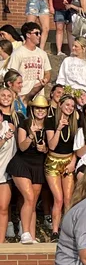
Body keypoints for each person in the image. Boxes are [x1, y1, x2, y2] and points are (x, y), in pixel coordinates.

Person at [8, 95, 49, 244]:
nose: (40, 111)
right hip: (22, 163)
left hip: (37, 165)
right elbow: (22, 146)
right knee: (29, 198)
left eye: (43, 108)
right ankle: (24, 232)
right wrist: (31, 136)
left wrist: (44, 148)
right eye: (38, 107)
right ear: (32, 109)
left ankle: (31, 236)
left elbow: (50, 147)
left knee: (32, 201)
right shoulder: (25, 124)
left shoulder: (48, 125)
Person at [44, 94, 78, 236]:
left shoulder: (76, 122)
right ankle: (55, 231)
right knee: (58, 198)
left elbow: (78, 146)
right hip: (53, 161)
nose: (70, 108)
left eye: (72, 106)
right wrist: (58, 128)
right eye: (67, 105)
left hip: (68, 161)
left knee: (68, 199)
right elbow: (51, 145)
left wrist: (73, 162)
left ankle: (67, 230)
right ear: (60, 105)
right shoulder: (51, 120)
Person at [8, 22, 51, 99]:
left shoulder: (43, 53)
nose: (39, 36)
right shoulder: (17, 53)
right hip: (22, 94)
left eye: (40, 33)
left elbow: (47, 72)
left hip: (38, 96)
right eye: (37, 33)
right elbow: (12, 75)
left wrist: (45, 80)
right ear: (28, 35)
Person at [0, 88, 15, 243]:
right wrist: (3, 140)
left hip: (4, 173)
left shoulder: (9, 126)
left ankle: (1, 242)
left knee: (4, 208)